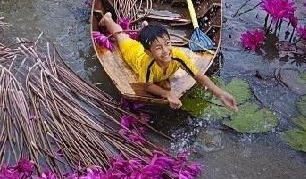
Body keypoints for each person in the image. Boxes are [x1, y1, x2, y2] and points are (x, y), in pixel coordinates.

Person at [99, 12, 238, 111]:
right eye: (159, 48)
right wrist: (167, 94)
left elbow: (198, 75)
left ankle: (146, 31)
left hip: (148, 49)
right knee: (120, 36)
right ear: (149, 52)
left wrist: (219, 93)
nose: (165, 51)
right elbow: (147, 86)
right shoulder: (147, 63)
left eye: (167, 43)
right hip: (134, 53)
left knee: (151, 40)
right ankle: (108, 19)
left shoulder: (176, 55)